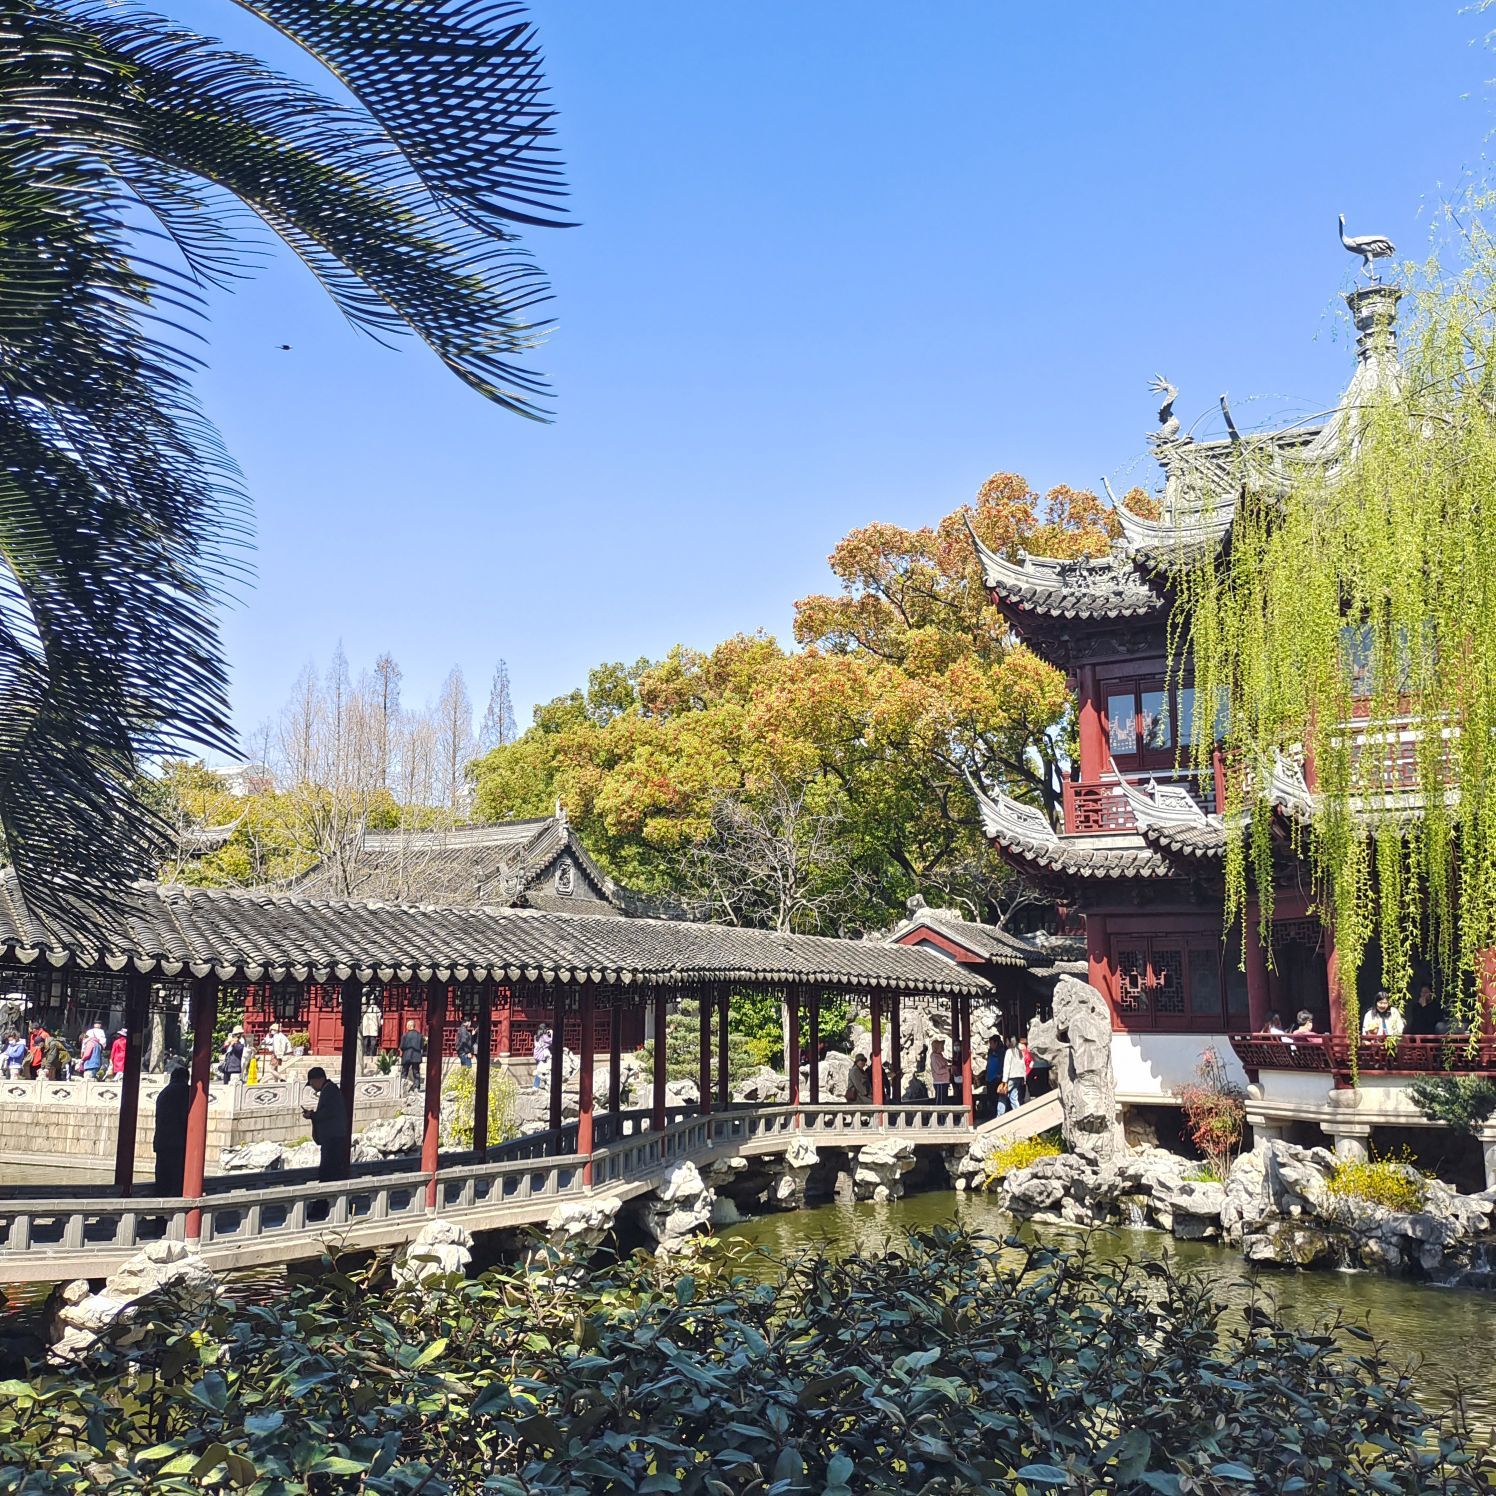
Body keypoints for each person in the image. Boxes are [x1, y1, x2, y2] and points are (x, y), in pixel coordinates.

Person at [302, 1066, 352, 1181]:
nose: (312, 1086)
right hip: (334, 1136)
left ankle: (325, 1197)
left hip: (332, 1137)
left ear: (317, 1079)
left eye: (311, 1083)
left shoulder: (330, 1090)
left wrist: (312, 1115)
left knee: (328, 1169)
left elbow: (328, 1113)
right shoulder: (330, 1089)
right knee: (330, 1169)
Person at [153, 1066, 190, 1195]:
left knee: (162, 1181)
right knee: (177, 1180)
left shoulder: (164, 1092)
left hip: (161, 1142)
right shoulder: (186, 1091)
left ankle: (160, 1214)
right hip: (178, 1142)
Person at [1002, 1035, 1027, 1110]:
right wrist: (1024, 1077)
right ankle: (1017, 1111)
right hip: (1019, 1076)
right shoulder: (1019, 1052)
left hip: (1011, 1077)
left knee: (1002, 1095)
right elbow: (1023, 1065)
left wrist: (1004, 1080)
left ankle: (1000, 1114)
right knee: (1014, 1096)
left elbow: (1007, 1066)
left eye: (1007, 1041)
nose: (1006, 1043)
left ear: (1010, 1042)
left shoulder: (1009, 1052)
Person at [983, 1036, 1004, 1119]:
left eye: (991, 1043)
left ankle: (997, 1114)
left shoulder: (1001, 1052)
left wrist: (1000, 1074)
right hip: (989, 1077)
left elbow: (1002, 1064)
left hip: (997, 1077)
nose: (990, 1045)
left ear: (996, 1043)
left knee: (997, 1097)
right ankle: (991, 1114)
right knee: (990, 1097)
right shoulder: (990, 1051)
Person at [400, 1020, 424, 1090]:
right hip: (416, 1056)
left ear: (408, 1026)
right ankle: (417, 1086)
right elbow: (422, 1046)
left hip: (406, 1056)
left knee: (404, 1072)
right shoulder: (420, 1035)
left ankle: (402, 1086)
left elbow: (401, 1046)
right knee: (416, 1072)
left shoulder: (405, 1035)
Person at [929, 1038, 951, 1104]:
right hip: (940, 1082)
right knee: (940, 1101)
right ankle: (939, 1114)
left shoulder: (940, 1055)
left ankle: (943, 1114)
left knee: (944, 1100)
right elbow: (938, 1070)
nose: (942, 1047)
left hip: (944, 1081)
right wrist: (948, 1068)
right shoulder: (934, 1057)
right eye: (941, 1046)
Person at [531, 1025, 552, 1090]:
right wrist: (551, 1033)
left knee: (542, 1070)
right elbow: (551, 1041)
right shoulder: (544, 1037)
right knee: (542, 1070)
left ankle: (543, 1085)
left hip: (537, 1055)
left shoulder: (536, 1037)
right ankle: (536, 1085)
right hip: (542, 1056)